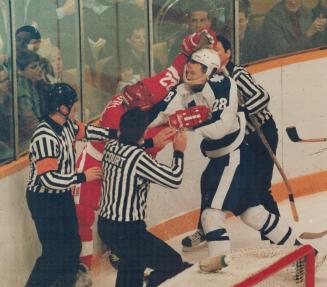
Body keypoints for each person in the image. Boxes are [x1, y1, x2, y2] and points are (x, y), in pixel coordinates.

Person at [74, 28, 215, 271]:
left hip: (115, 162)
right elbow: (143, 149)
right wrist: (174, 129)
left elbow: (171, 74)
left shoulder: (135, 98)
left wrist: (187, 49)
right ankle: (85, 268)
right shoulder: (118, 122)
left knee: (127, 204)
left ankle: (122, 252)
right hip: (99, 160)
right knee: (84, 215)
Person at [150, 48, 303, 259]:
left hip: (234, 157)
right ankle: (303, 252)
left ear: (210, 70)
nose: (190, 67)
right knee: (253, 214)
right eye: (190, 62)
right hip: (223, 159)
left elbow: (222, 126)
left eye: (196, 64)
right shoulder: (185, 89)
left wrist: (188, 126)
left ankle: (220, 272)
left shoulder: (223, 84)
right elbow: (159, 114)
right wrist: (127, 130)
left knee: (211, 216)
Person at [180, 35, 281, 250]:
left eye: (217, 50)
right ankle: (205, 229)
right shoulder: (206, 79)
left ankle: (277, 241)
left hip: (260, 133)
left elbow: (262, 97)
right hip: (236, 140)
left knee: (261, 187)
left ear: (228, 54)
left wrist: (238, 111)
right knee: (209, 181)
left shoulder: (237, 74)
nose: (211, 55)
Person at [25, 82, 117, 287]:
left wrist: (114, 134)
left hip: (62, 193)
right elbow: (48, 179)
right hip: (44, 199)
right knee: (53, 253)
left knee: (72, 247)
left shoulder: (67, 125)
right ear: (62, 108)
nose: (78, 110)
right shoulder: (44, 136)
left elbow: (89, 131)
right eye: (74, 106)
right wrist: (82, 177)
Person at [98, 107, 190, 287]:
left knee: (131, 268)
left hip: (107, 227)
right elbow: (174, 179)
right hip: (128, 231)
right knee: (173, 263)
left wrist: (150, 142)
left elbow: (129, 149)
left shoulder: (111, 146)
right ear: (144, 131)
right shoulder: (138, 158)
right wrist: (179, 151)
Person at [262, 0, 327, 57]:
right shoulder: (272, 18)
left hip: (307, 59)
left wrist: (320, 30)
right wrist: (307, 34)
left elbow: (317, 45)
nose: (293, 2)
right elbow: (282, 52)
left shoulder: (306, 11)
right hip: (283, 64)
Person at [167, 1, 214, 65]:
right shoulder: (180, 42)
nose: (198, 25)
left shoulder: (217, 40)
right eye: (194, 21)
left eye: (202, 20)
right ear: (188, 22)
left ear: (209, 22)